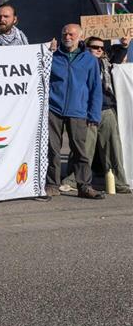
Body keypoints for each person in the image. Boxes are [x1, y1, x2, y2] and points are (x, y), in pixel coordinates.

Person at [45, 24, 104, 200]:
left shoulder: (90, 60)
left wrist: (94, 114)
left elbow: (95, 88)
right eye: (64, 33)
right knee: (52, 150)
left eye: (71, 34)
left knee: (80, 151)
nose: (67, 37)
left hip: (78, 111)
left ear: (80, 36)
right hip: (53, 109)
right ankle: (52, 185)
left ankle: (84, 186)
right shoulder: (51, 56)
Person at [85, 36, 131, 194]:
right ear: (86, 47)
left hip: (106, 108)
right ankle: (74, 179)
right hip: (87, 110)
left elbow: (116, 61)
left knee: (112, 147)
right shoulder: (82, 62)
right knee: (84, 147)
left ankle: (118, 182)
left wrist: (124, 46)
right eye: (94, 47)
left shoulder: (106, 63)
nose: (99, 50)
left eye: (101, 48)